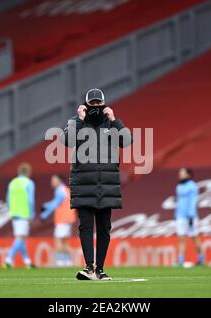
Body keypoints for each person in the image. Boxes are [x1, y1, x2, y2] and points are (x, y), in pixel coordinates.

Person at [61, 88, 132, 280]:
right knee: (85, 227)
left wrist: (115, 119)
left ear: (103, 103)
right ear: (85, 105)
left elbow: (127, 141)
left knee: (103, 228)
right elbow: (65, 140)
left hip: (106, 185)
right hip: (83, 184)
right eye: (91, 103)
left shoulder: (111, 123)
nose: (95, 107)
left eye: (98, 103)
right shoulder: (77, 123)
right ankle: (89, 267)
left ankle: (100, 269)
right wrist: (79, 119)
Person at [3, 163, 36, 268]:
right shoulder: (28, 183)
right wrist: (32, 214)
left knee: (21, 238)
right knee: (20, 238)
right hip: (24, 213)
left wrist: (10, 210)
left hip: (13, 213)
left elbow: (7, 199)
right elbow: (30, 200)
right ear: (28, 172)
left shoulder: (12, 182)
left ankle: (27, 261)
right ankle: (8, 259)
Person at [40, 174, 76, 267]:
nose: (52, 182)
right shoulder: (66, 190)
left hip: (62, 219)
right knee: (64, 242)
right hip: (68, 218)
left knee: (58, 240)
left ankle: (59, 262)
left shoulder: (59, 190)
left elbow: (55, 203)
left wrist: (44, 214)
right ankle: (69, 262)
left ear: (59, 180)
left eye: (54, 180)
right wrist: (46, 206)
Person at [175, 167, 204, 266]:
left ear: (188, 175)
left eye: (182, 173)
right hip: (180, 216)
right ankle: (181, 260)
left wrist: (191, 215)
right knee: (181, 238)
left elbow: (193, 201)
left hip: (191, 216)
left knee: (195, 237)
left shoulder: (193, 186)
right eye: (180, 173)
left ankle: (201, 259)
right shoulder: (179, 187)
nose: (180, 175)